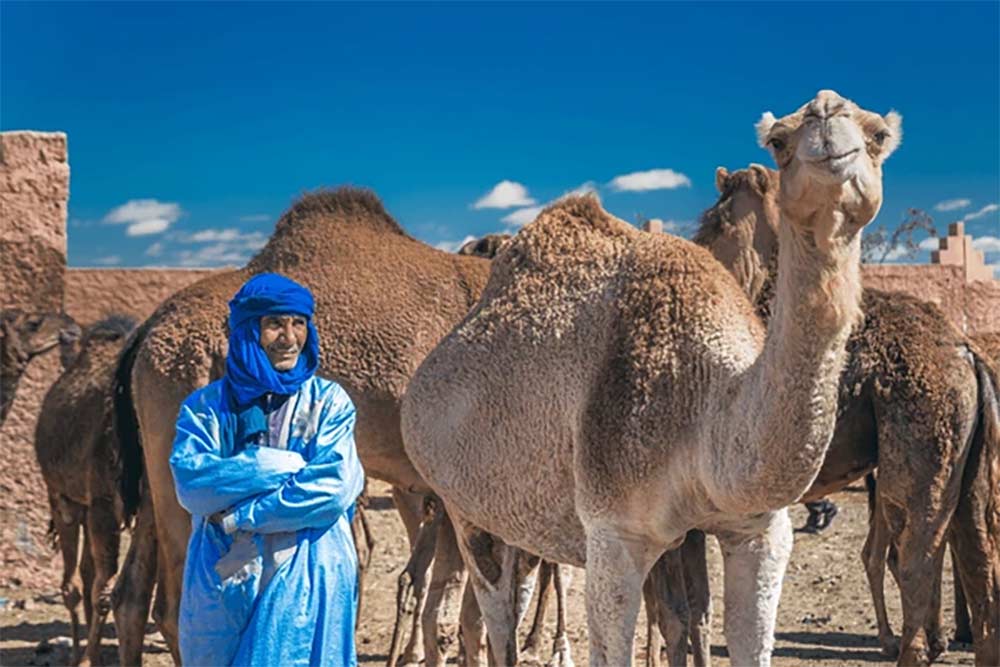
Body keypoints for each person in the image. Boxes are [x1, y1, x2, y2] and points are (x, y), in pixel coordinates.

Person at [169, 273, 364, 666]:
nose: (289, 338)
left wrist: (241, 515)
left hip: (307, 568)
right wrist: (280, 465)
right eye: (274, 324)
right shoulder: (205, 407)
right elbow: (193, 485)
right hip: (223, 571)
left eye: (298, 324)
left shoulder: (329, 402)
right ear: (246, 331)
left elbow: (333, 489)